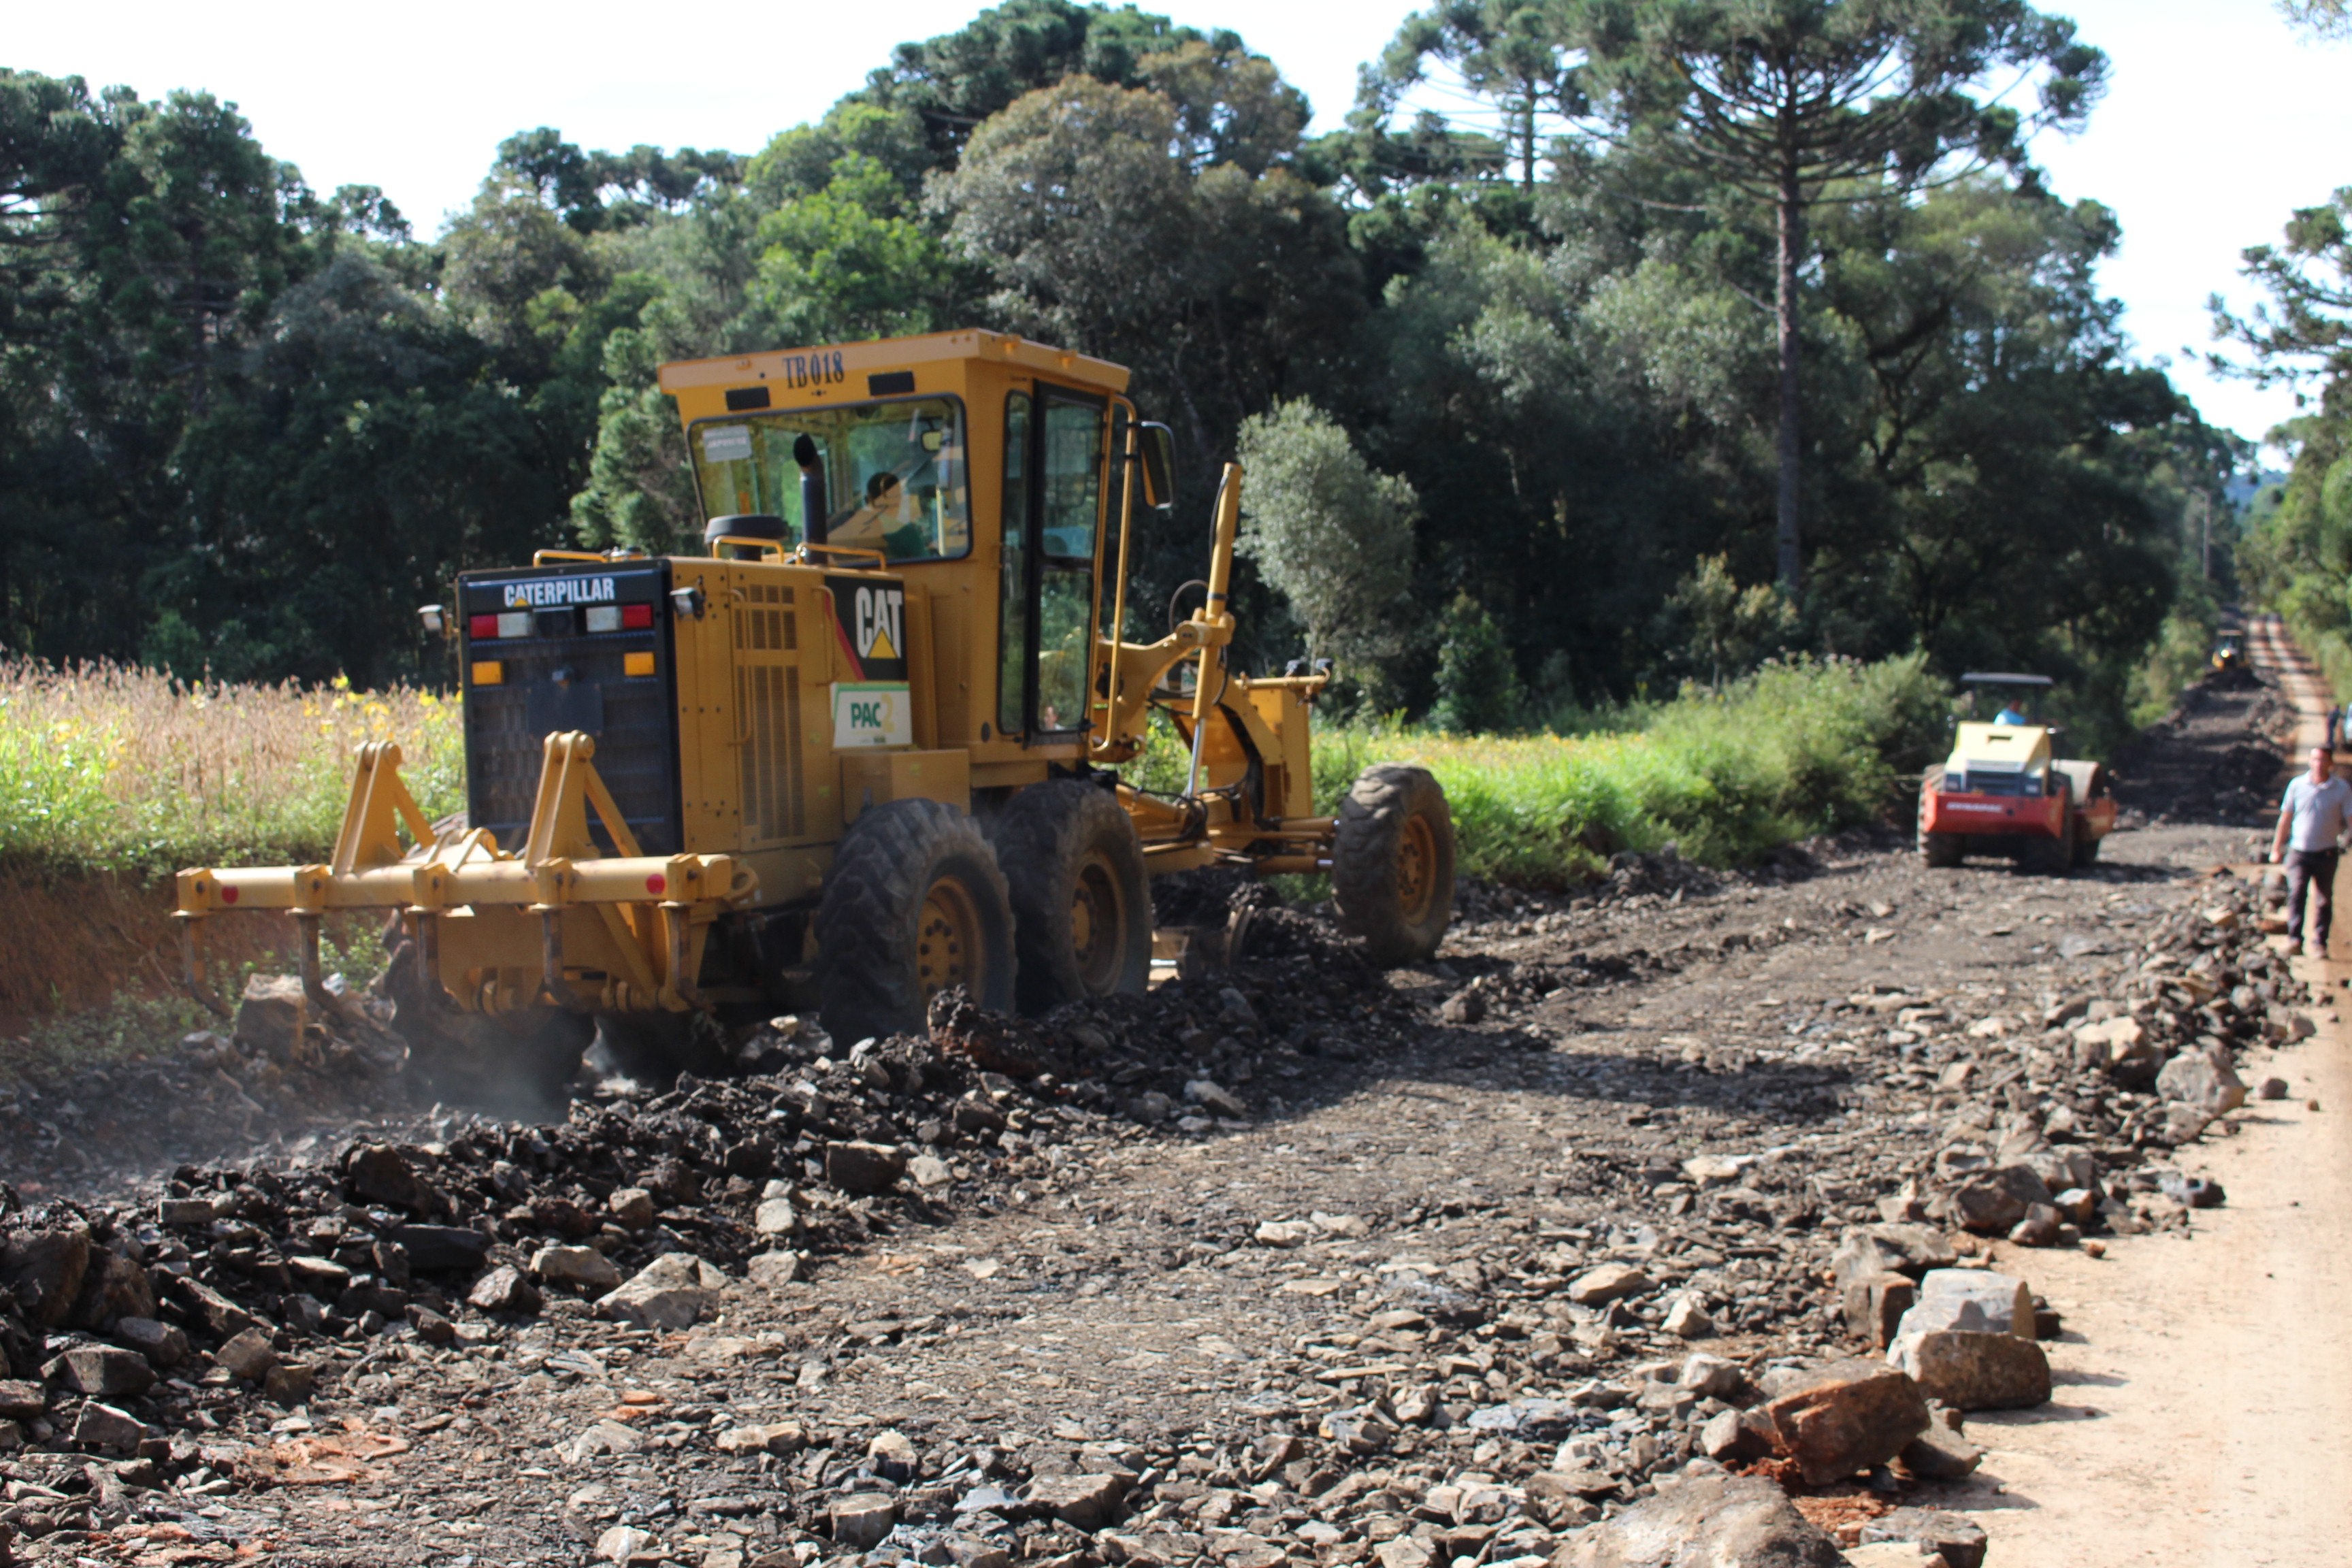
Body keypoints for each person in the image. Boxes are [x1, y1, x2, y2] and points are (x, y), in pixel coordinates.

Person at [2270, 744, 2352, 958]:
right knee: (2297, 893)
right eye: (2315, 759)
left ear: (2330, 763)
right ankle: (2295, 938)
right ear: (2310, 761)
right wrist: (2276, 848)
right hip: (2299, 852)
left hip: (2326, 853)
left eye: (2323, 760)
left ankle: (2319, 942)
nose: (2318, 764)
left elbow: (2350, 818)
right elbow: (2285, 819)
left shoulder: (2341, 789)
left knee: (2324, 899)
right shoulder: (2297, 785)